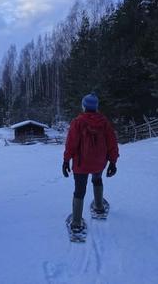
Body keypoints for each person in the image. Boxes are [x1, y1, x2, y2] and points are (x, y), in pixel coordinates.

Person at [62, 93, 119, 233]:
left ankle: (76, 223)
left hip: (81, 164)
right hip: (99, 162)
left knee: (79, 190)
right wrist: (112, 162)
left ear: (84, 106)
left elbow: (71, 144)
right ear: (96, 107)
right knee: (97, 179)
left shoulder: (77, 122)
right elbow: (112, 142)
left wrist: (66, 161)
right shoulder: (104, 122)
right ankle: (99, 207)